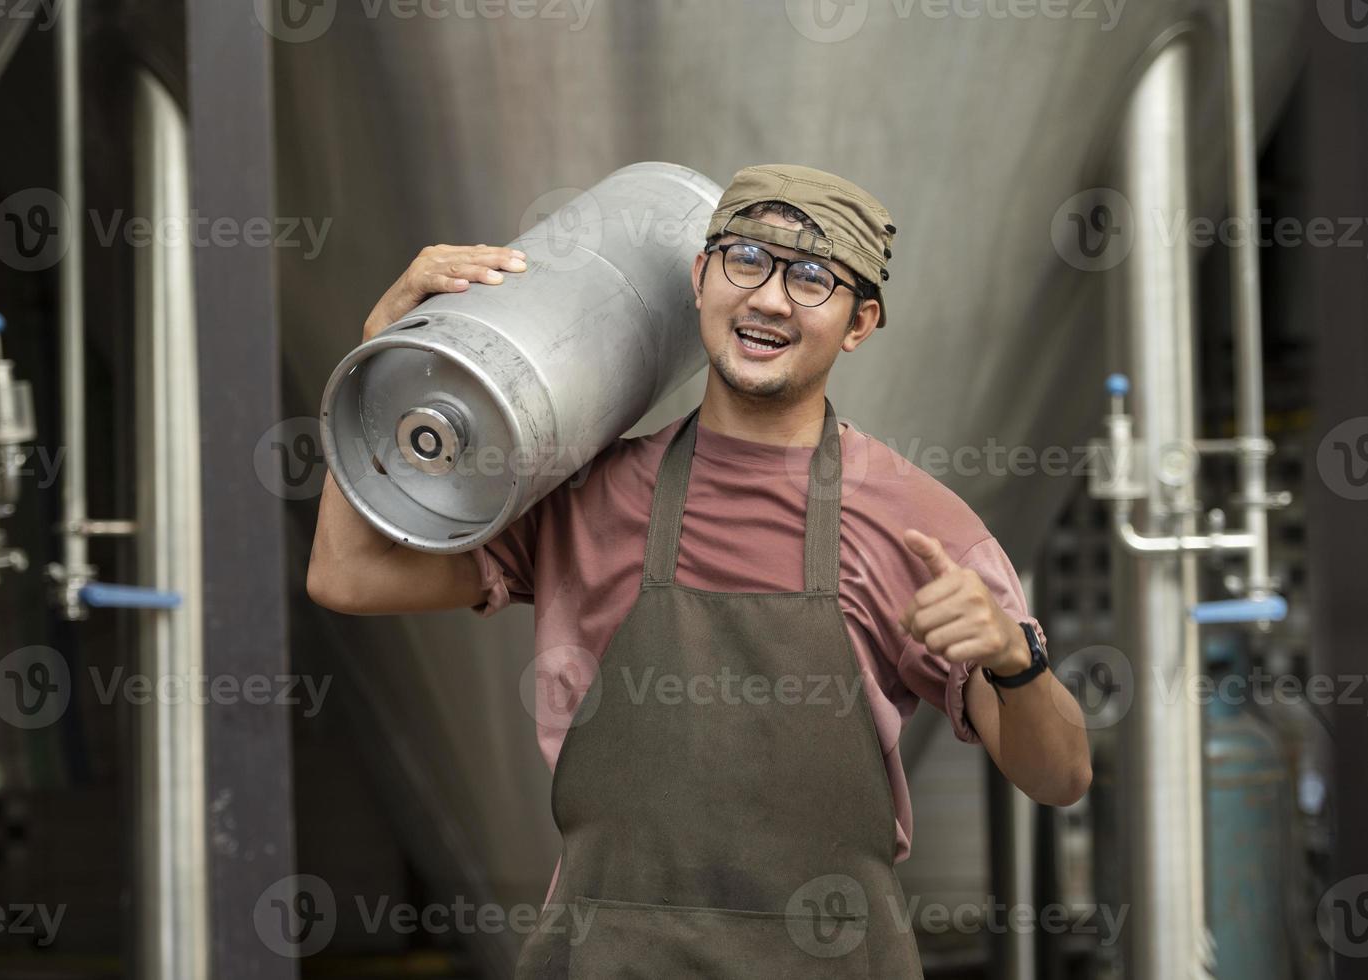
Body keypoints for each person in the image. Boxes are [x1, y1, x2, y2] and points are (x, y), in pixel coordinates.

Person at [308, 163, 1092, 977]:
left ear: (859, 324)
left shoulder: (917, 524)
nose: (769, 299)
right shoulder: (583, 490)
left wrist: (1015, 663)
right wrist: (381, 355)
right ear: (699, 278)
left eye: (812, 278)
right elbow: (347, 576)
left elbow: (1060, 775)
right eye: (746, 260)